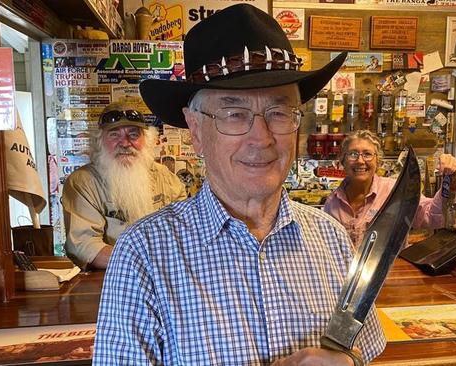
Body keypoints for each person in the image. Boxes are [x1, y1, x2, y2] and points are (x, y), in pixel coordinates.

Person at [94, 4, 385, 365]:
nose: (261, 138)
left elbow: (365, 353)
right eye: (234, 114)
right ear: (196, 130)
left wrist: (351, 363)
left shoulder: (331, 239)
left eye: (279, 112)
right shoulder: (143, 255)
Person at [61, 102, 187, 269]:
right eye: (114, 135)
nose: (125, 143)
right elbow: (84, 245)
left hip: (166, 277)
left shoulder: (167, 179)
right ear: (99, 141)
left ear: (148, 140)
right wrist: (142, 264)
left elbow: (186, 233)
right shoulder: (82, 183)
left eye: (133, 134)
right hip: (110, 281)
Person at [323, 130, 456, 246]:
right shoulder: (332, 202)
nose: (360, 161)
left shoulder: (395, 190)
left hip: (391, 274)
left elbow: (432, 217)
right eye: (353, 154)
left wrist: (449, 180)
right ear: (343, 162)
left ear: (378, 161)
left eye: (367, 154)